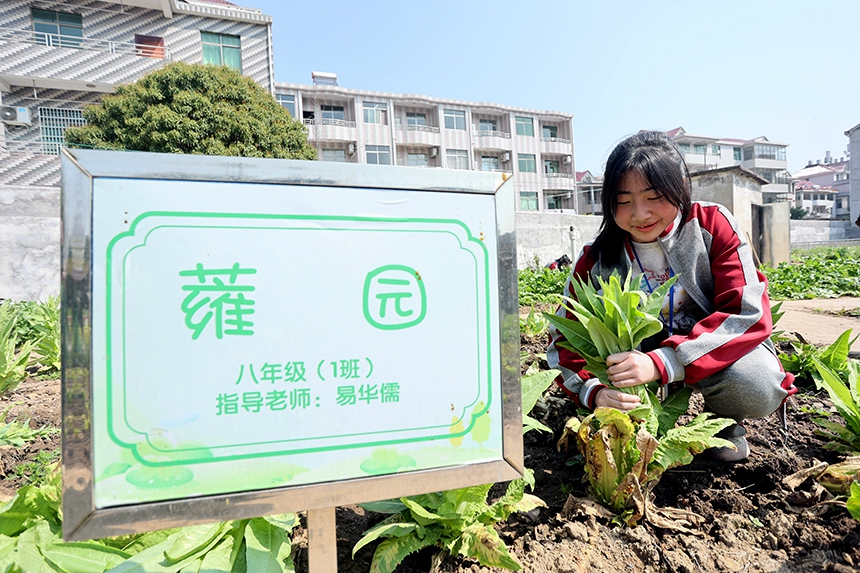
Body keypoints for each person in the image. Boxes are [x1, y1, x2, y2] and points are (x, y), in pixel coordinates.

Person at [547, 131, 797, 462]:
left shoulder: (712, 225)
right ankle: (639, 430)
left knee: (755, 382)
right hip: (631, 369)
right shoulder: (596, 259)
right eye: (623, 201)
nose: (640, 214)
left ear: (678, 188)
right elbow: (563, 340)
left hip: (705, 353)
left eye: (654, 197)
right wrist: (594, 392)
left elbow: (746, 314)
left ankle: (721, 425)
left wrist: (663, 362)